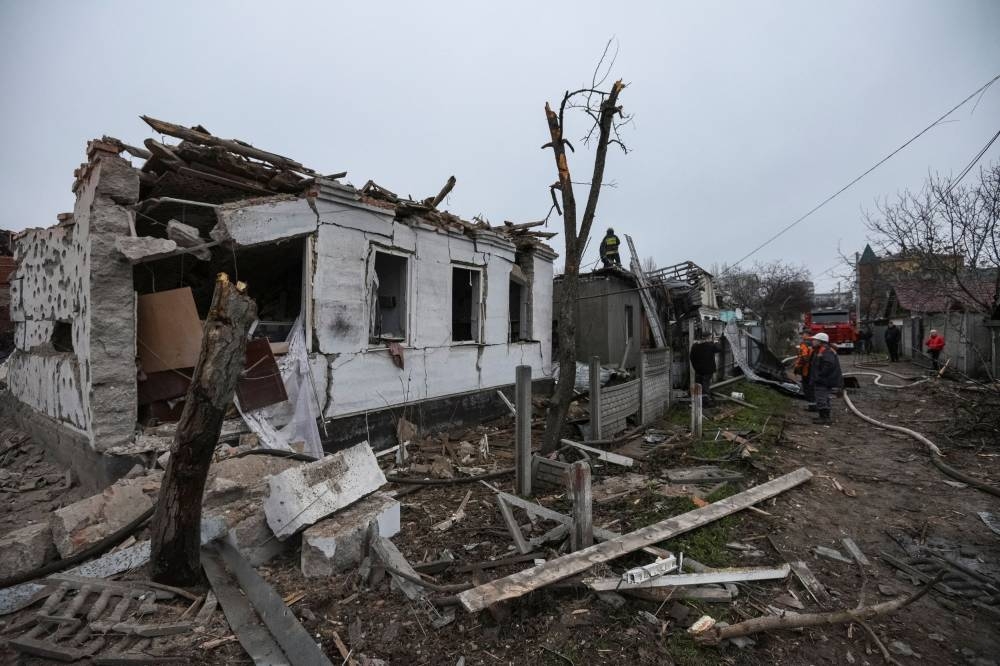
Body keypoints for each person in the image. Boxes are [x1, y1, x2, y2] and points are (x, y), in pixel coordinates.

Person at [811, 332, 843, 425]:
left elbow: (828, 365)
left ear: (821, 341)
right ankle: (824, 416)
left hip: (823, 380)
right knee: (824, 397)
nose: (813, 341)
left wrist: (819, 376)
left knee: (821, 397)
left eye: (815, 340)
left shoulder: (825, 351)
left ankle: (825, 418)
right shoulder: (823, 350)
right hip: (826, 379)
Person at [690, 332, 723, 407]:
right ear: (708, 337)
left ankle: (697, 402)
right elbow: (719, 349)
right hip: (707, 370)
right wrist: (716, 341)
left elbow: (691, 357)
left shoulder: (695, 346)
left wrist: (696, 367)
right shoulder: (710, 346)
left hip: (698, 370)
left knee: (698, 385)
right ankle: (705, 403)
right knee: (705, 386)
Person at [793, 332, 816, 411]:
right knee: (813, 387)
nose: (802, 336)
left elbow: (804, 357)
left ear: (807, 335)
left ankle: (812, 406)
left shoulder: (804, 344)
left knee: (807, 388)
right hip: (814, 369)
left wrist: (797, 367)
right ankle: (815, 405)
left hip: (806, 369)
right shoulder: (814, 343)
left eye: (803, 334)